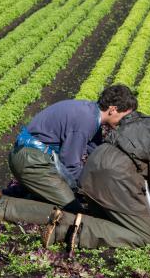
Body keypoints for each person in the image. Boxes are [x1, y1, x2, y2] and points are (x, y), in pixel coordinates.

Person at [0, 106, 150, 251]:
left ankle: (7, 206)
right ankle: (70, 230)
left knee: (100, 215)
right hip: (115, 176)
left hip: (95, 166)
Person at [7, 84, 137, 212]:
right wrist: (91, 190)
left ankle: (10, 197)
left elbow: (96, 151)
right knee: (72, 208)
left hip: (31, 156)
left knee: (58, 195)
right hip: (31, 160)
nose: (123, 121)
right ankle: (6, 209)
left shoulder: (91, 112)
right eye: (124, 116)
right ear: (113, 109)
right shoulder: (87, 120)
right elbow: (70, 163)